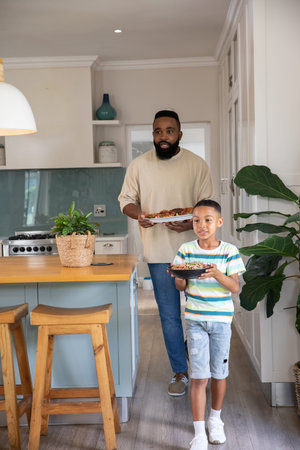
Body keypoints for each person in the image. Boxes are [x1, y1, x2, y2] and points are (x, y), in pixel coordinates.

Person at [118, 110, 213, 396]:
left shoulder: (197, 165)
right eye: (158, 131)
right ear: (153, 135)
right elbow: (126, 201)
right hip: (158, 253)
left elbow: (207, 205)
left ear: (179, 134)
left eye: (169, 131)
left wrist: (189, 223)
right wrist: (141, 216)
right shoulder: (139, 166)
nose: (163, 136)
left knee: (199, 313)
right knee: (170, 316)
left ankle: (200, 368)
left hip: (195, 251)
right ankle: (180, 372)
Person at [171, 199, 245, 449]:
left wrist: (216, 273)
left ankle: (216, 420)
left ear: (219, 222)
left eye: (207, 220)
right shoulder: (186, 249)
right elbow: (180, 286)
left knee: (219, 374)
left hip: (221, 321)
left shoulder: (229, 251)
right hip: (194, 319)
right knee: (199, 376)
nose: (201, 225)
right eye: (196, 220)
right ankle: (199, 432)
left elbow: (235, 287)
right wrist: (179, 276)